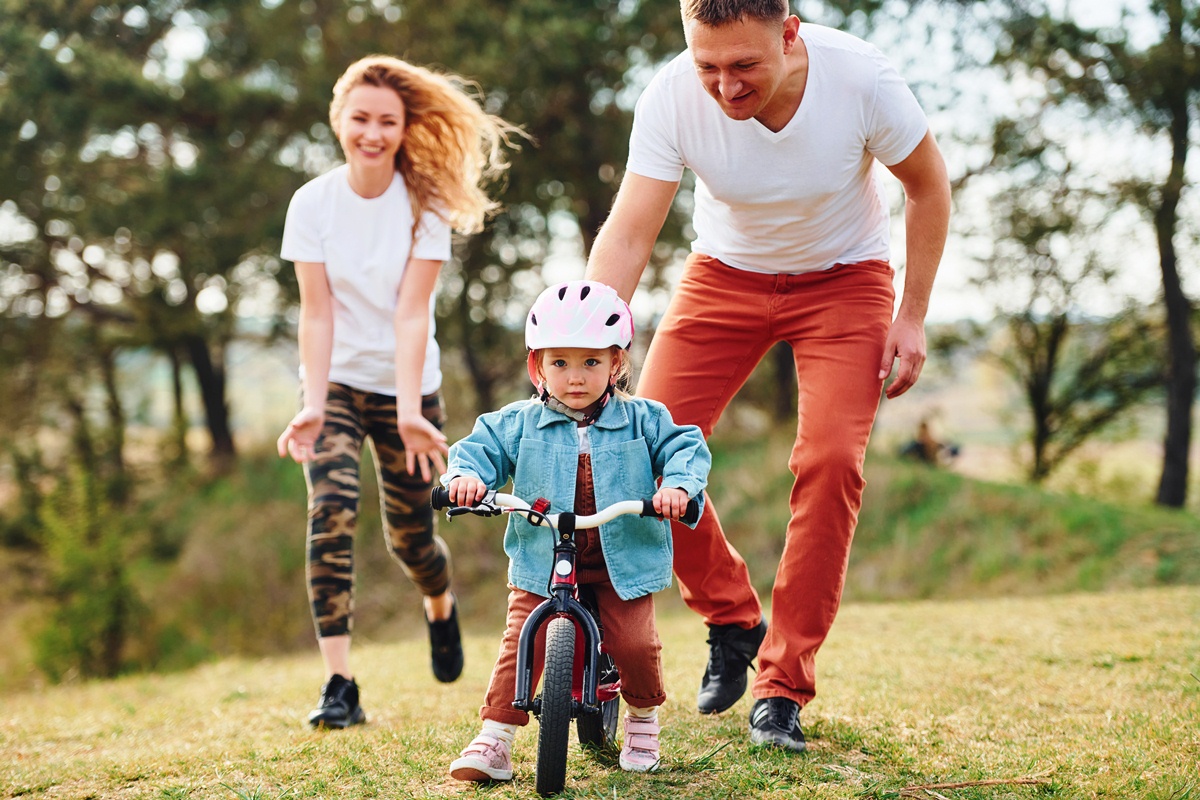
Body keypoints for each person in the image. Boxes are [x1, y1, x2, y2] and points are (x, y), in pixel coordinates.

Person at [584, 0, 952, 751]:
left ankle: (782, 686)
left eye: (743, 65)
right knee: (635, 447)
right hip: (724, 275)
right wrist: (590, 342)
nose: (724, 87)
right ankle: (729, 615)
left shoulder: (862, 80)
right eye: (706, 65)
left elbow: (927, 185)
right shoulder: (670, 96)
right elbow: (629, 230)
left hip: (845, 280)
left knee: (829, 462)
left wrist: (910, 315)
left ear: (789, 35)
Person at [276, 54, 521, 729]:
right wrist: (313, 403)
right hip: (335, 388)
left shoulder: (424, 206)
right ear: (339, 120)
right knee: (330, 515)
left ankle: (438, 602)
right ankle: (339, 685)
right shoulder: (312, 204)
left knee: (410, 539)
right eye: (361, 119)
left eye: (387, 121)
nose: (373, 133)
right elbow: (317, 313)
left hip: (407, 390)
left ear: (405, 127)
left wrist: (411, 412)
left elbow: (414, 313)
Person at [442, 280, 712, 780]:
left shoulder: (643, 419)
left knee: (634, 643)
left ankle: (642, 719)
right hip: (544, 559)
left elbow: (684, 449)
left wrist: (676, 487)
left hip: (621, 558)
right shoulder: (519, 422)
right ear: (537, 367)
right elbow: (479, 450)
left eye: (591, 362)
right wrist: (465, 480)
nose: (575, 376)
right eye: (560, 362)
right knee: (525, 638)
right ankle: (495, 739)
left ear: (616, 365)